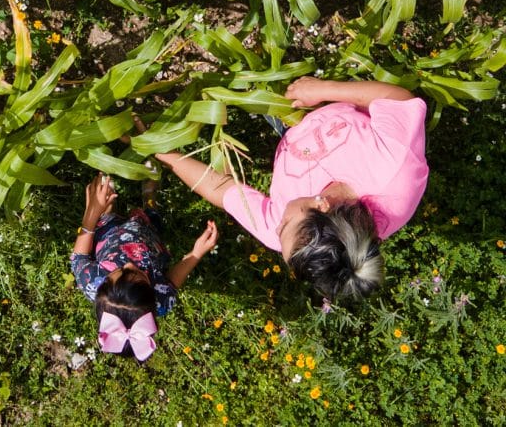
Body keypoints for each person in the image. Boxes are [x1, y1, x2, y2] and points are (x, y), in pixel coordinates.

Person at [153, 77, 429, 302]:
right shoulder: (393, 168)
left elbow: (223, 191)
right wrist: (324, 89)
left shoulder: (285, 237)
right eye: (285, 222)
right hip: (340, 100)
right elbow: (399, 99)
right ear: (322, 205)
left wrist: (163, 153)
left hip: (295, 128)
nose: (276, 224)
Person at [71, 172, 218, 361]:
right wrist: (196, 253)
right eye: (140, 274)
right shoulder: (161, 300)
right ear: (153, 294)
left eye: (120, 271)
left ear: (104, 282)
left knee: (103, 213)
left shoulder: (91, 281)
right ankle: (149, 195)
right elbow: (172, 280)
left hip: (109, 234)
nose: (130, 263)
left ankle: (107, 205)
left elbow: (79, 257)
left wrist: (91, 211)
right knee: (151, 217)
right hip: (147, 236)